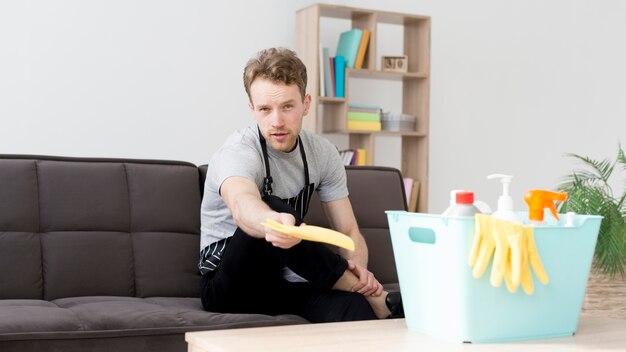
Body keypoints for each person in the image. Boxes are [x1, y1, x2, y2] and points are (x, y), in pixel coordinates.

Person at [199, 47, 403, 323]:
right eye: (264, 109)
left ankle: (364, 295)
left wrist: (361, 278)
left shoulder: (323, 153)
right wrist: (274, 220)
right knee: (272, 211)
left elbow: (348, 230)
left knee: (354, 311)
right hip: (229, 286)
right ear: (252, 109)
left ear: (306, 104)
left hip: (284, 283)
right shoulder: (238, 151)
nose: (276, 121)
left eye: (287, 107)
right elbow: (242, 204)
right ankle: (367, 293)